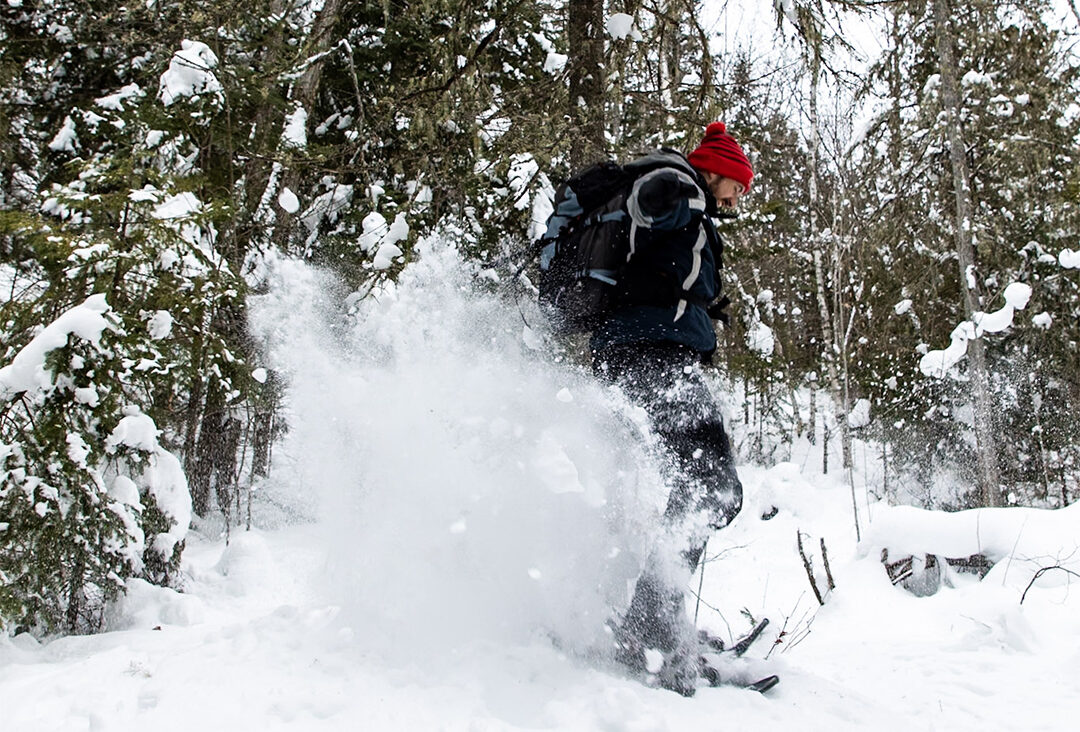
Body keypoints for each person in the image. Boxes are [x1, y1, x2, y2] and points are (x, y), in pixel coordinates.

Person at [592, 122, 752, 696]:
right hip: (648, 358)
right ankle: (649, 623)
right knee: (713, 488)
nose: (741, 196)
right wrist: (668, 194)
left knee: (703, 487)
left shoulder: (693, 208)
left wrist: (704, 308)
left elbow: (660, 270)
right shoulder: (679, 187)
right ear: (717, 171)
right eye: (738, 183)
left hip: (648, 355)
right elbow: (649, 206)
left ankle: (651, 617)